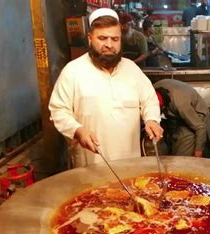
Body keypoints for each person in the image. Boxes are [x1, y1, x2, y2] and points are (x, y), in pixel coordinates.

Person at [48, 8, 163, 168]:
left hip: (129, 160)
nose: (109, 45)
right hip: (90, 163)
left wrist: (151, 119)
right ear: (90, 38)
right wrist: (78, 130)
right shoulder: (73, 71)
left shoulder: (131, 69)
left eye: (115, 39)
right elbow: (58, 110)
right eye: (102, 38)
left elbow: (149, 100)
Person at [153, 79, 210, 157]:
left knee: (182, 156)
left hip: (196, 117)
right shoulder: (151, 90)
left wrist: (198, 151)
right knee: (173, 143)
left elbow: (200, 127)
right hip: (175, 114)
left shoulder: (181, 104)